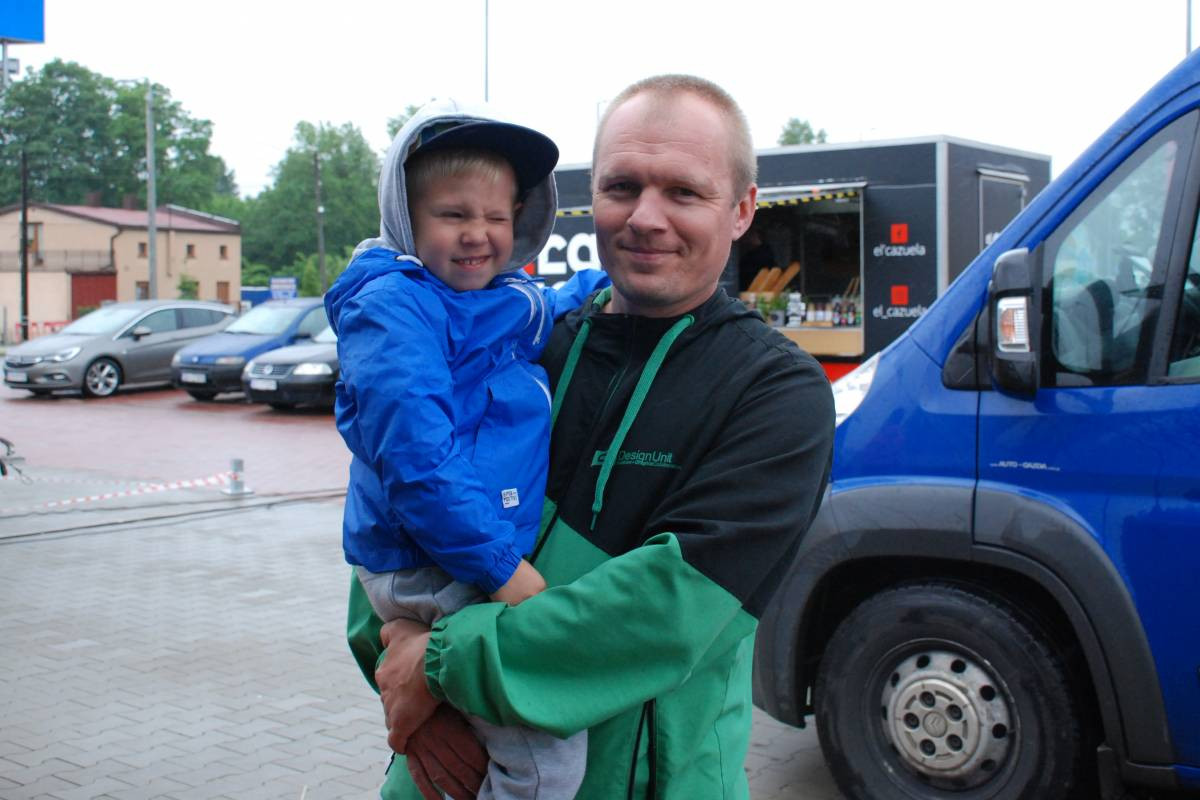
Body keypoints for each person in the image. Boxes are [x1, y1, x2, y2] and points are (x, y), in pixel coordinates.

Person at [352, 76, 836, 799]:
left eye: (683, 192)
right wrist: (406, 689)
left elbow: (666, 615)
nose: (645, 217)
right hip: (451, 773)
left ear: (740, 211)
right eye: (622, 186)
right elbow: (390, 522)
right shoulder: (517, 352)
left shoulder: (775, 392)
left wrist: (441, 667)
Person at [326, 99, 607, 799]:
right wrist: (507, 572)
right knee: (547, 755)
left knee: (481, 731)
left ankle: (419, 663)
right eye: (454, 215)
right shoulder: (394, 310)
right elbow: (420, 466)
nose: (478, 234)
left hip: (456, 545)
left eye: (497, 217)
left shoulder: (492, 296)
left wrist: (608, 286)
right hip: (434, 552)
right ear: (408, 219)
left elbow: (550, 303)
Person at [737, 224, 777, 290]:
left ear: (756, 236)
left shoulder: (762, 253)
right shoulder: (755, 252)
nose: (747, 238)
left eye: (750, 235)